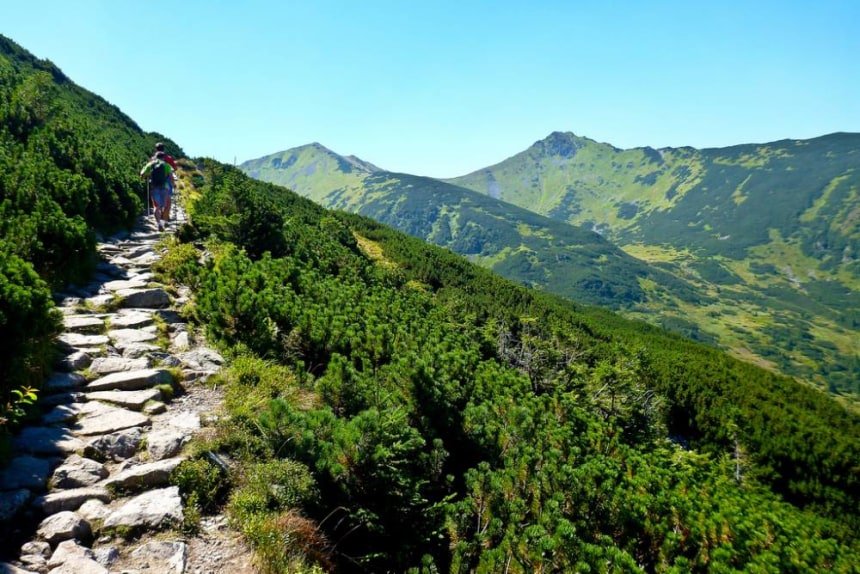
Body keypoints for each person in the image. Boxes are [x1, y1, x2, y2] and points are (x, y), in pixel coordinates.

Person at [140, 151, 174, 231]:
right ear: (163, 157)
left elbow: (142, 175)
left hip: (154, 187)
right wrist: (173, 184)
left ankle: (158, 224)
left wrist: (148, 175)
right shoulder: (166, 165)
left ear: (155, 156)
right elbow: (171, 177)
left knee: (156, 206)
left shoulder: (150, 164)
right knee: (166, 206)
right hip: (164, 187)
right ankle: (162, 223)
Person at [153, 143, 177, 220]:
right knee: (167, 199)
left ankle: (159, 217)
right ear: (164, 149)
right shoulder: (169, 158)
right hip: (167, 180)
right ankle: (165, 216)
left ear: (156, 149)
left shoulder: (153, 158)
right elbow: (175, 168)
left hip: (155, 181)